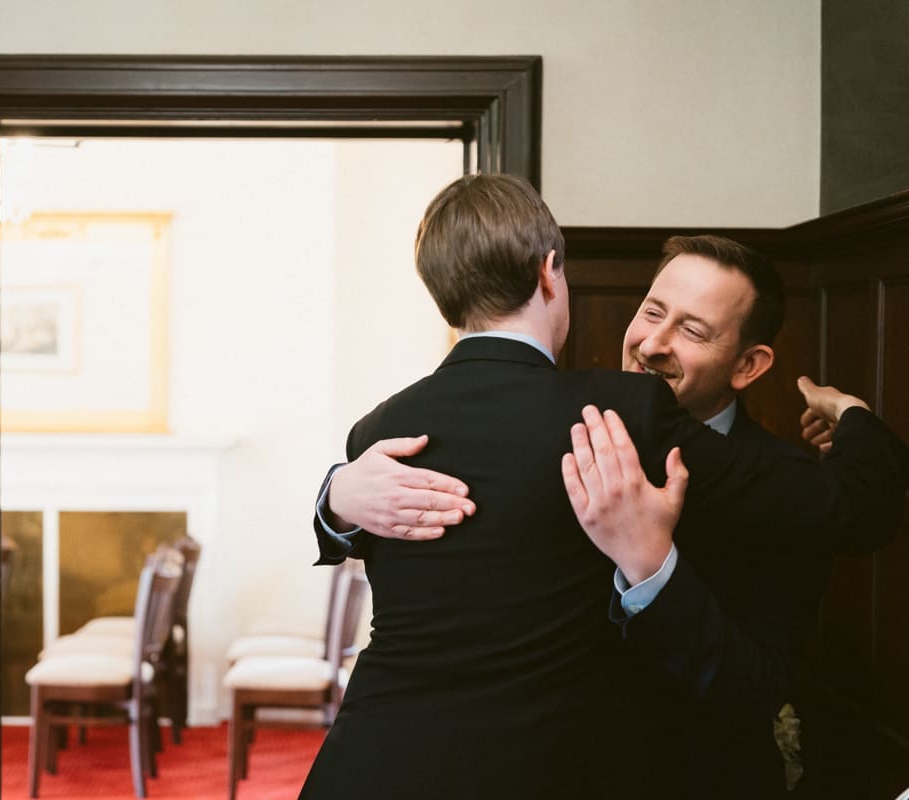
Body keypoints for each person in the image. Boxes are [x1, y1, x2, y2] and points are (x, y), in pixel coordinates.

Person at [300, 175, 907, 799]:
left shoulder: (384, 426)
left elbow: (757, 678)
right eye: (651, 312)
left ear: (748, 365)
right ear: (550, 275)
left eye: (694, 331)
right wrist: (337, 498)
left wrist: (651, 565)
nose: (653, 343)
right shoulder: (606, 409)